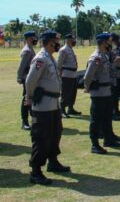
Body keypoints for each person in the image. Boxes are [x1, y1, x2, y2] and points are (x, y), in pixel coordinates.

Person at [25, 30, 70, 184]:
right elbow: (30, 81)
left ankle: (53, 162)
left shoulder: (50, 57)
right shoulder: (41, 59)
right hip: (43, 105)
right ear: (50, 42)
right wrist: (29, 98)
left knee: (55, 133)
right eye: (56, 42)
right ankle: (36, 171)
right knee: (41, 137)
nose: (58, 44)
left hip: (53, 104)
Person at [84, 33, 120, 154]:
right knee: (96, 119)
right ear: (102, 43)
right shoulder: (96, 57)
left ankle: (108, 139)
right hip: (98, 93)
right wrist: (88, 87)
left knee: (107, 117)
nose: (110, 44)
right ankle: (94, 144)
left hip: (106, 91)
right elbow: (88, 76)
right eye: (108, 42)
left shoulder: (104, 56)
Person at [17, 30, 37, 130]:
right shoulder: (27, 51)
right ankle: (24, 122)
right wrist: (19, 77)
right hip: (27, 78)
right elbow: (22, 67)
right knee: (26, 100)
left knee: (31, 99)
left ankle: (34, 120)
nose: (35, 39)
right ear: (29, 39)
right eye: (33, 38)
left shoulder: (31, 49)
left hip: (31, 77)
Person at [57, 34, 79, 118]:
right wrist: (59, 75)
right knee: (65, 93)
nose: (74, 41)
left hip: (73, 74)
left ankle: (71, 108)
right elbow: (59, 64)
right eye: (73, 39)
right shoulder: (64, 50)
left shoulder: (70, 49)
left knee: (73, 92)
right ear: (68, 40)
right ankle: (62, 110)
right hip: (66, 74)